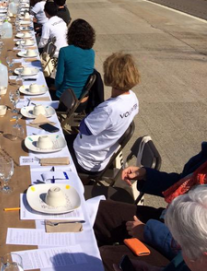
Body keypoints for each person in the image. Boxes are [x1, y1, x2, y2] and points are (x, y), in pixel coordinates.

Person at [96, 142, 207, 271]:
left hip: (173, 245)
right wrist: (147, 175)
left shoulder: (193, 252)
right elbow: (180, 184)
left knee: (105, 258)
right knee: (100, 211)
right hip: (169, 220)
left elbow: (189, 247)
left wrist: (148, 231)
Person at [73, 52, 139, 174]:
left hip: (86, 158)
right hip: (103, 154)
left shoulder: (110, 108)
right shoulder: (133, 98)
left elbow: (84, 128)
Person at [54, 19, 95, 98]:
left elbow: (58, 82)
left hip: (64, 99)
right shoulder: (91, 52)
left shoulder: (64, 51)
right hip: (82, 99)